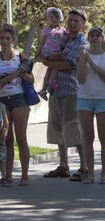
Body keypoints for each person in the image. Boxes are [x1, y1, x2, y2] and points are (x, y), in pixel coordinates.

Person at [42, 9, 89, 181]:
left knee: (74, 130)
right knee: (58, 130)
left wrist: (47, 61)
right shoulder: (61, 38)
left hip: (70, 91)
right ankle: (63, 166)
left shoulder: (81, 42)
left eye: (76, 21)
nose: (72, 23)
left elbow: (68, 64)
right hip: (55, 90)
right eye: (70, 20)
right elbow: (48, 51)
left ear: (82, 24)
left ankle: (84, 167)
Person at [0, 24, 34, 187]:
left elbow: (31, 79)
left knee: (21, 138)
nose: (5, 41)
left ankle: (25, 175)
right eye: (2, 38)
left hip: (19, 98)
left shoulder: (20, 56)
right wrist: (13, 75)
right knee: (6, 138)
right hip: (2, 100)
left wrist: (23, 74)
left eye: (8, 38)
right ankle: (7, 175)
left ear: (13, 40)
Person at [76, 26, 105, 184]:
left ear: (102, 39)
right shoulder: (83, 56)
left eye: (97, 35)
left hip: (103, 99)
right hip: (84, 99)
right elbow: (80, 79)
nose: (95, 38)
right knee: (88, 138)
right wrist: (83, 60)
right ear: (88, 38)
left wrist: (91, 62)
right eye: (92, 35)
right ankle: (90, 174)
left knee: (103, 138)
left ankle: (103, 174)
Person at [36, 7, 66, 100]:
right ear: (48, 19)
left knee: (50, 69)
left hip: (56, 51)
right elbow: (42, 41)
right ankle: (52, 80)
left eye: (56, 17)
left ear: (59, 19)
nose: (54, 19)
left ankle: (43, 90)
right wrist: (38, 53)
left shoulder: (63, 30)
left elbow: (66, 39)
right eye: (51, 17)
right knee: (57, 63)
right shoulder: (47, 30)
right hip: (48, 52)